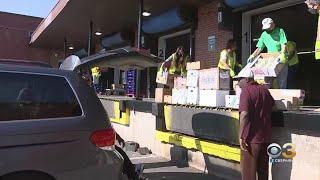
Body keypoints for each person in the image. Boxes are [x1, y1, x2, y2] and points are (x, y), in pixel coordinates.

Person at [238, 70, 275, 180]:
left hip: (251, 140)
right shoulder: (264, 89)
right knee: (263, 172)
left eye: (239, 79)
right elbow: (274, 107)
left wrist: (240, 136)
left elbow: (244, 114)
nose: (238, 82)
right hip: (265, 138)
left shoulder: (246, 91)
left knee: (248, 173)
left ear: (247, 79)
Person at [248, 18, 288, 89]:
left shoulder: (280, 31)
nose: (267, 30)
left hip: (280, 59)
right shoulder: (264, 35)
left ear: (273, 24)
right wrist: (253, 55)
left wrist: (282, 54)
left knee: (282, 81)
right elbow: (259, 48)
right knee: (267, 82)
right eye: (266, 28)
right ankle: (267, 97)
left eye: (269, 28)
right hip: (270, 60)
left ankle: (282, 98)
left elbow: (283, 44)